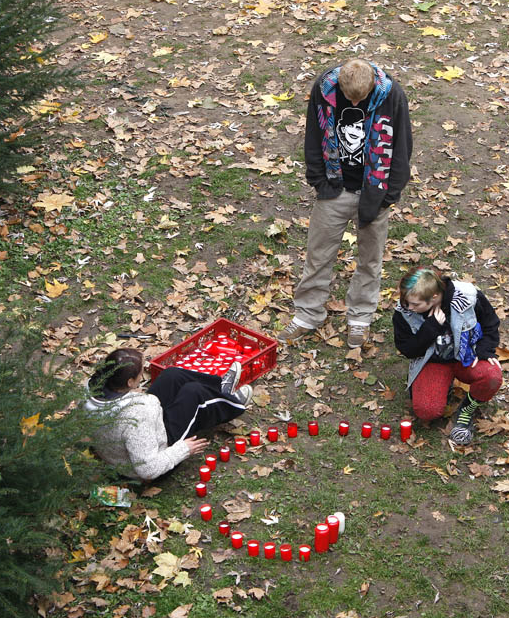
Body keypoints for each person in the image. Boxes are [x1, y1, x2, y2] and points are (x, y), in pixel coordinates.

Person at [280, 58, 413, 348]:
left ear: (371, 87)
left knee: (370, 260)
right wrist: (319, 180)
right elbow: (313, 134)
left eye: (360, 99)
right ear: (340, 83)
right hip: (334, 187)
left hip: (374, 192)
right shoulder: (324, 89)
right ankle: (308, 314)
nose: (354, 101)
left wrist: (388, 195)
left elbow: (403, 146)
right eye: (349, 97)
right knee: (318, 254)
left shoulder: (391, 94)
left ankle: (360, 317)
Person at [82, 349, 252, 480]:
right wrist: (182, 450)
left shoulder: (91, 387)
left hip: (144, 430)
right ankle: (234, 405)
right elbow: (148, 469)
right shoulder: (136, 414)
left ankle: (220, 387)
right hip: (157, 454)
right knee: (193, 393)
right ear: (130, 382)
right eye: (141, 373)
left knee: (171, 375)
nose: (144, 374)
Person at [392, 267, 503, 446]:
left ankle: (467, 409)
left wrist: (484, 350)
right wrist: (431, 328)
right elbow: (408, 350)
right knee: (427, 411)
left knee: (492, 376)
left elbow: (490, 323)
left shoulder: (468, 296)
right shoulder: (404, 311)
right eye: (406, 302)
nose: (408, 308)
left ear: (434, 297)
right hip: (433, 362)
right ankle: (442, 385)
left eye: (415, 304)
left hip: (466, 356)